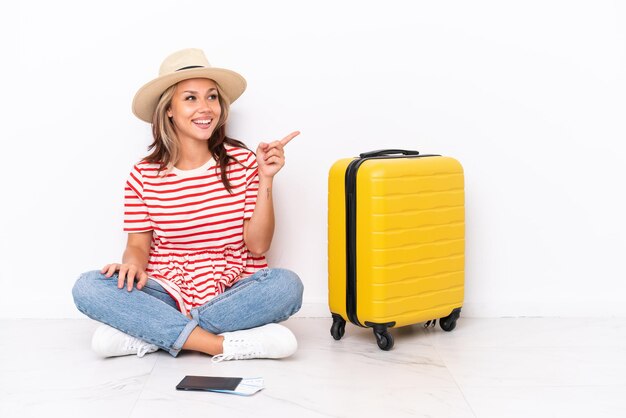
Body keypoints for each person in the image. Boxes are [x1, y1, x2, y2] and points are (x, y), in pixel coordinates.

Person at [72, 48, 304, 362]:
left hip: (231, 291)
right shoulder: (143, 175)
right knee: (89, 286)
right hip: (168, 291)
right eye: (191, 98)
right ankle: (218, 344)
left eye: (212, 97)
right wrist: (131, 266)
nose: (205, 108)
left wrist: (266, 178)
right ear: (168, 108)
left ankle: (156, 334)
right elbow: (138, 246)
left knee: (287, 286)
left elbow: (258, 245)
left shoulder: (245, 163)